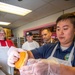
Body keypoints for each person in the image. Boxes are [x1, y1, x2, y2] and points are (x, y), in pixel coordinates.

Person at [7, 13, 75, 75]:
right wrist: (16, 53)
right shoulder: (48, 47)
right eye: (58, 29)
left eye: (65, 28)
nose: (60, 32)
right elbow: (29, 54)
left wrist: (56, 69)